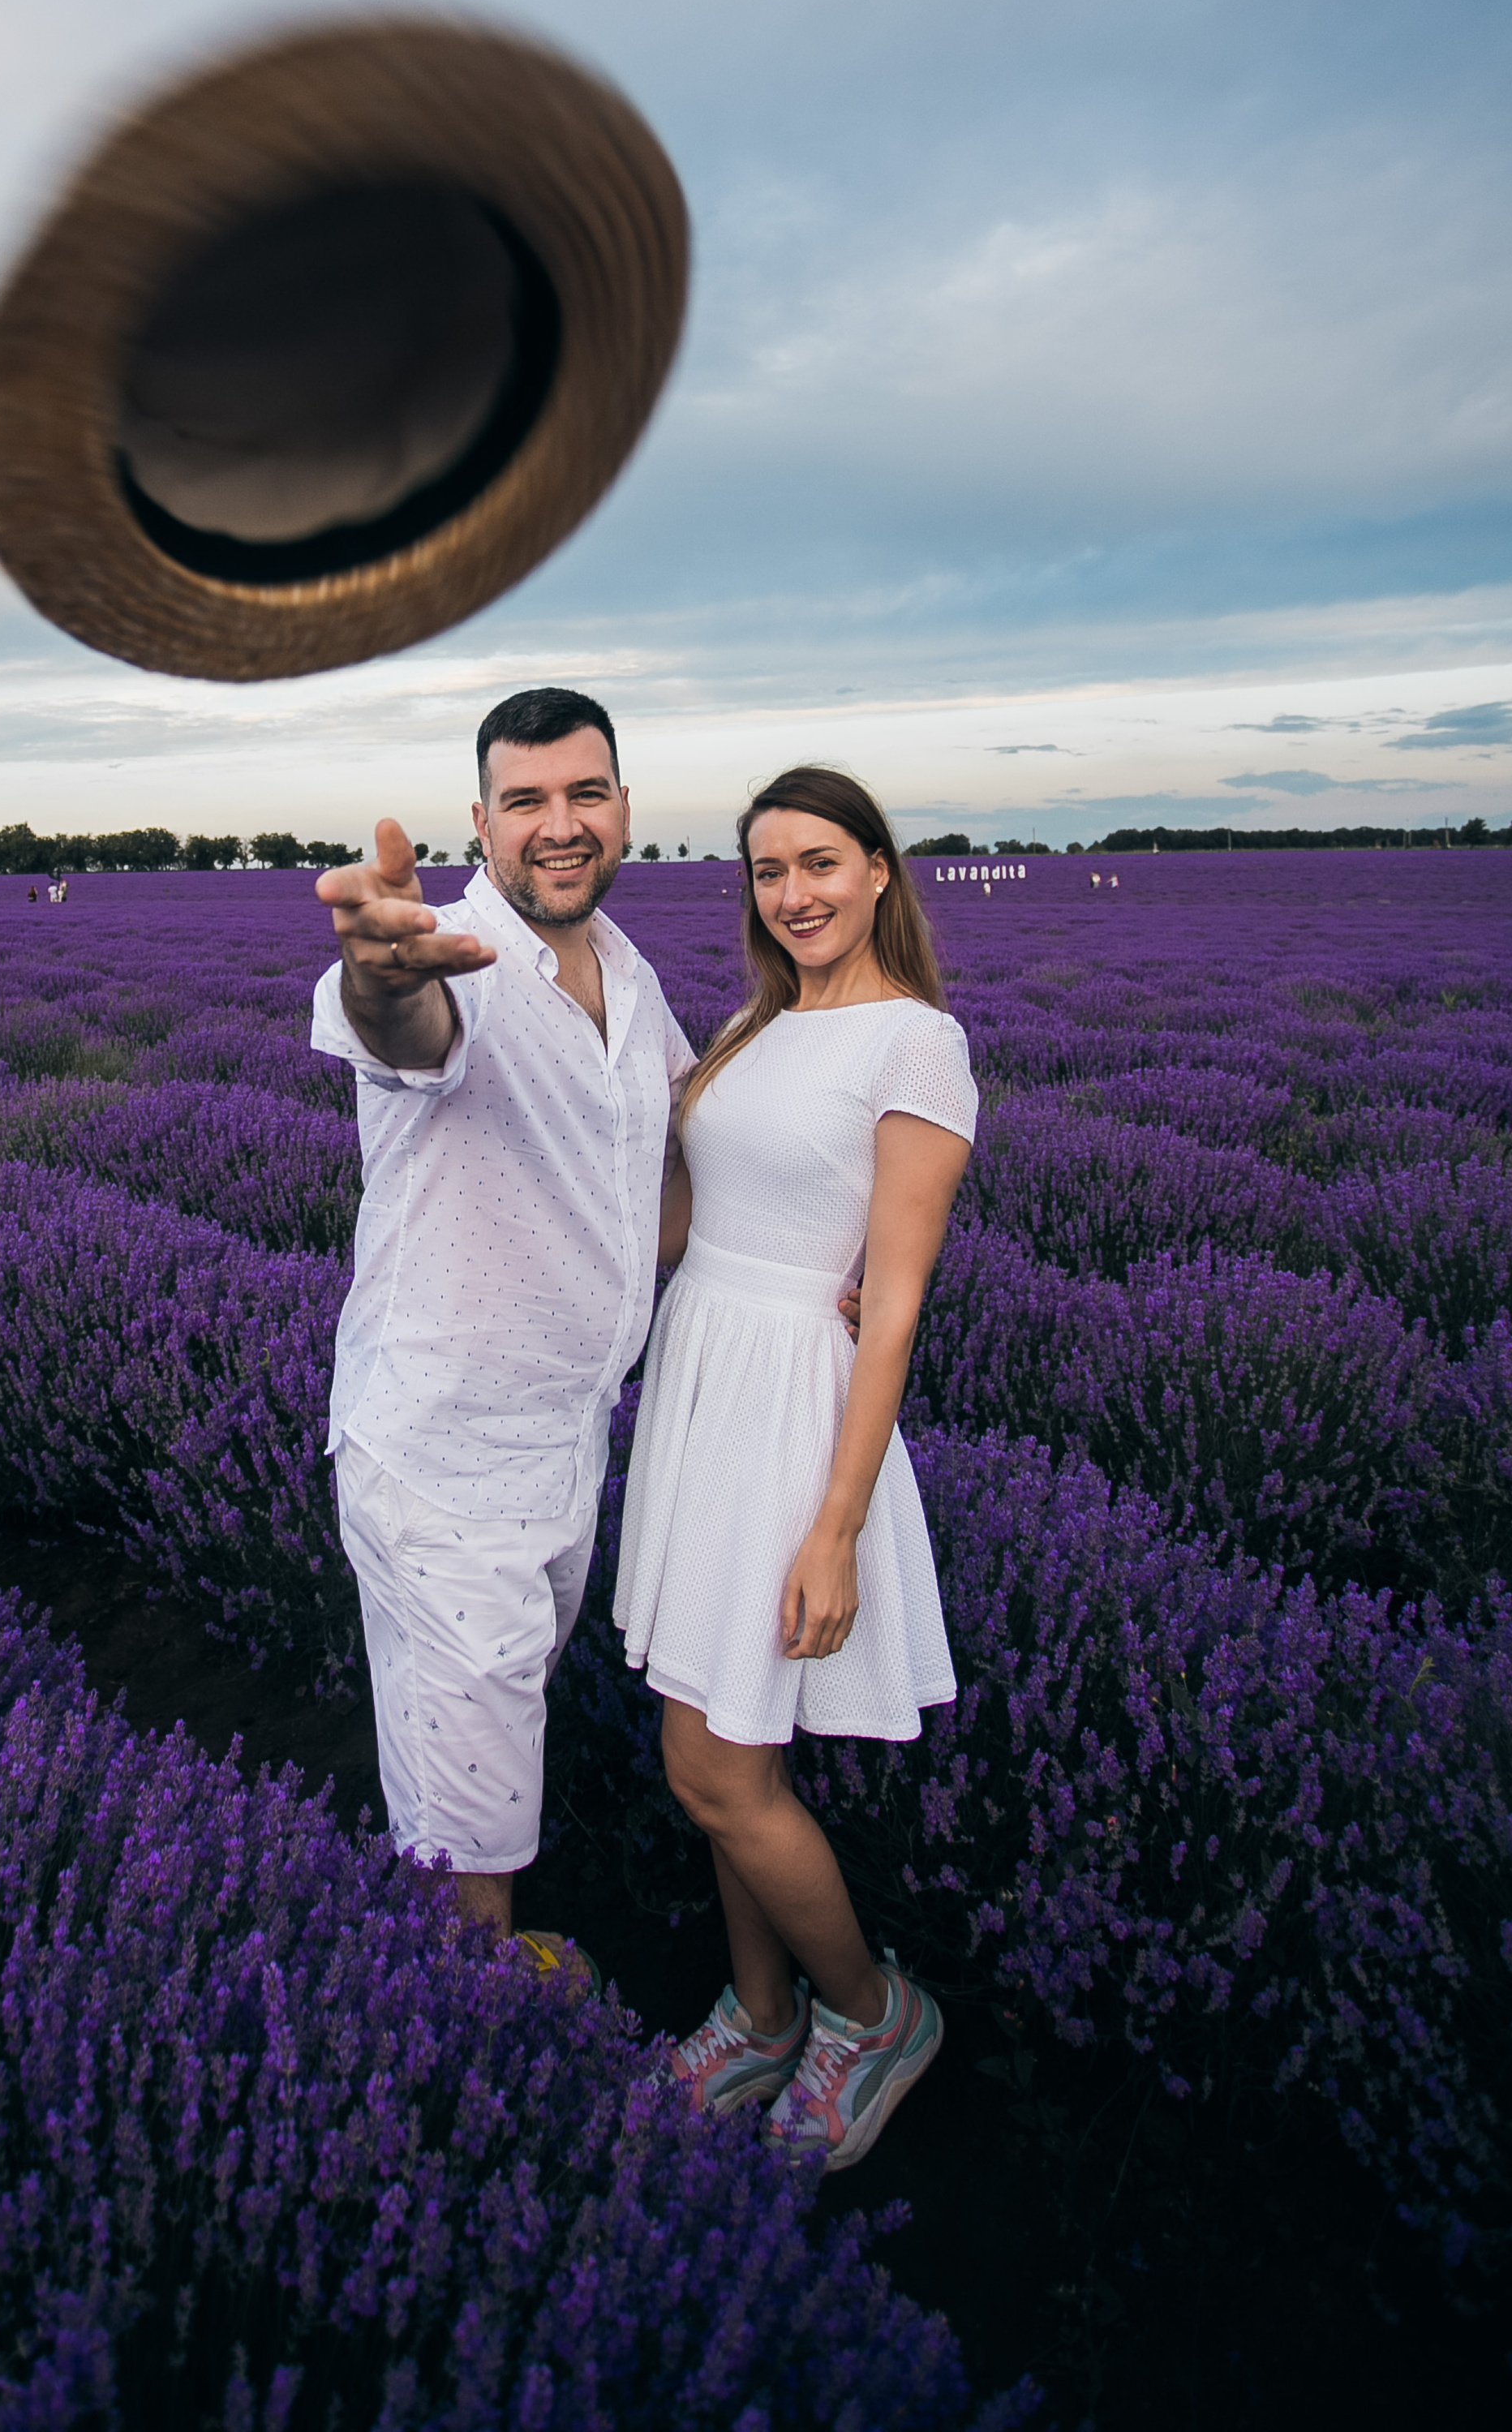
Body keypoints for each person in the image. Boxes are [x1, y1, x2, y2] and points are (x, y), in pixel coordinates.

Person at [615, 764, 974, 2172]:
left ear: (880, 869)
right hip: (705, 1382)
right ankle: (761, 2014)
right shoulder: (753, 1026)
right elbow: (678, 1226)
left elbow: (889, 1307)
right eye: (769, 871)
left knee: (713, 1764)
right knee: (715, 1735)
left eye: (820, 862)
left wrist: (835, 1529)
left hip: (788, 1417)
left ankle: (874, 2013)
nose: (795, 894)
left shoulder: (915, 1044)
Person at [312, 686, 694, 1985]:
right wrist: (381, 973)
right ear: (481, 821)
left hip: (563, 1445)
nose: (560, 825)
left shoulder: (631, 978)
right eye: (526, 801)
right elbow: (404, 1031)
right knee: (467, 1785)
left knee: (490, 1731)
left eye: (585, 793)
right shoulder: (449, 957)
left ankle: (470, 1960)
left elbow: (678, 1138)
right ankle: (470, 2029)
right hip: (444, 1461)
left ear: (624, 809)